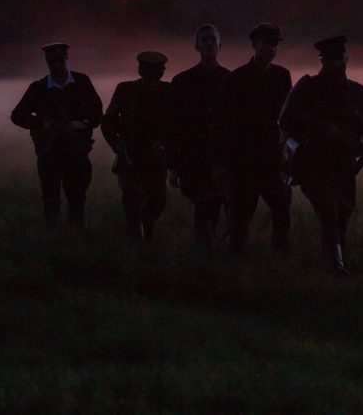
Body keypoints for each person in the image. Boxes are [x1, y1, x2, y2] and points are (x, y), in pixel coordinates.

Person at [278, 35, 363, 275]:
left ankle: (332, 258)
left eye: (338, 58)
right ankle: (336, 266)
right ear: (322, 60)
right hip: (314, 163)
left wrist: (362, 143)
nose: (334, 64)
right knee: (328, 212)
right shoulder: (307, 87)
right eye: (328, 59)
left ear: (346, 58)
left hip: (344, 165)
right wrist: (320, 128)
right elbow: (286, 119)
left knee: (343, 214)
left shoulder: (357, 92)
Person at [213, 23, 293, 255]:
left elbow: (288, 117)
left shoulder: (282, 76)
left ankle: (280, 261)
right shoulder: (235, 79)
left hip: (273, 161)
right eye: (268, 44)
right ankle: (238, 265)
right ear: (255, 45)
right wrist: (221, 164)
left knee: (281, 212)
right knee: (239, 218)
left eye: (275, 44)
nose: (272, 49)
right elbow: (222, 124)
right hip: (243, 163)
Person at [10, 43, 103, 227]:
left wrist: (82, 123)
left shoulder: (82, 82)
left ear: (66, 59)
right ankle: (55, 237)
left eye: (60, 60)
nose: (57, 65)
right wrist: (41, 123)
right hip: (49, 152)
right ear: (47, 62)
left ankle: (74, 236)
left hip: (77, 151)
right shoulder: (38, 88)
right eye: (53, 61)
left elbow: (97, 112)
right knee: (51, 197)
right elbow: (17, 115)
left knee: (77, 197)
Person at [168, 24, 230, 248]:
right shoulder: (182, 82)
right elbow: (173, 125)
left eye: (212, 40)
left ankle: (206, 249)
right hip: (192, 156)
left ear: (220, 45)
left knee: (215, 204)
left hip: (221, 156)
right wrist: (173, 165)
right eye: (204, 40)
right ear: (196, 45)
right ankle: (203, 249)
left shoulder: (231, 81)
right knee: (203, 204)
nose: (208, 44)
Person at [101, 51, 171, 245]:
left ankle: (145, 240)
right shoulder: (125, 90)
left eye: (155, 71)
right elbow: (108, 121)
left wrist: (165, 144)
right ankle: (138, 246)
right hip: (130, 156)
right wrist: (117, 144)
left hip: (156, 159)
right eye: (148, 71)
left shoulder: (169, 92)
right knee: (132, 204)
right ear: (141, 70)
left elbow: (178, 124)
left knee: (156, 203)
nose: (151, 76)